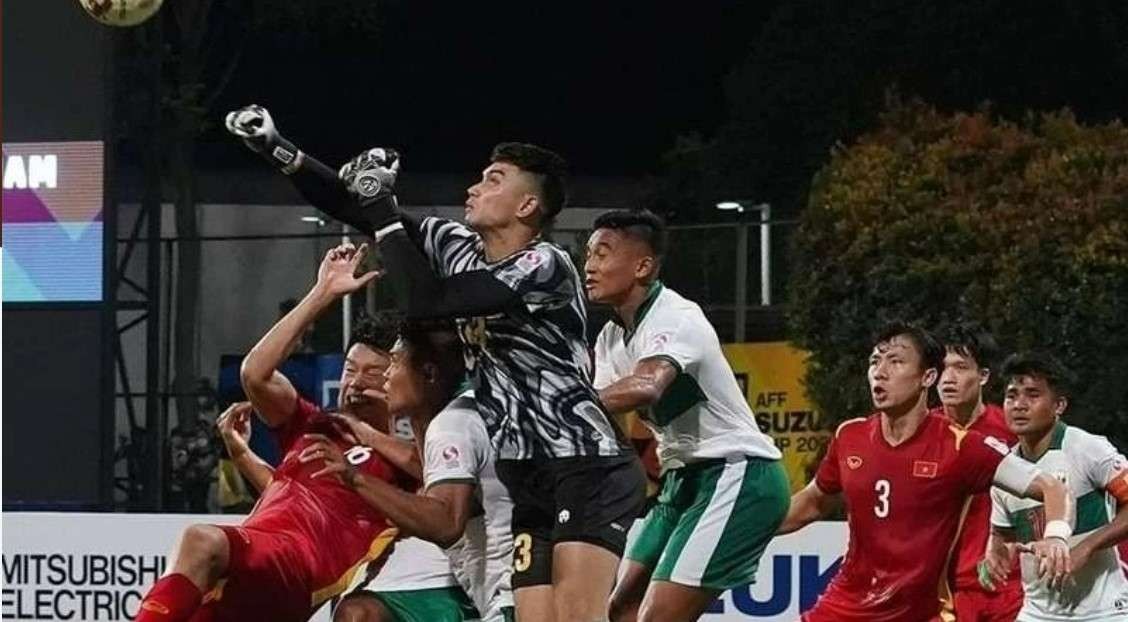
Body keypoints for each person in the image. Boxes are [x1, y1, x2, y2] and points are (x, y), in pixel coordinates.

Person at [225, 105, 646, 621]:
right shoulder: (457, 246)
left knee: (578, 619)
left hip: (587, 463)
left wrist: (383, 210)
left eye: (493, 180)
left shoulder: (545, 265)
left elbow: (429, 303)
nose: (474, 189)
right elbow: (358, 207)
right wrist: (279, 150)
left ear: (527, 206)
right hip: (526, 475)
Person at [135, 245, 465, 622]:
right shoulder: (316, 425)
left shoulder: (407, 459)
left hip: (298, 567)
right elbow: (254, 374)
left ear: (397, 377)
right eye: (349, 370)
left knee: (202, 539)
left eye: (372, 374)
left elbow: (432, 487)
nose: (355, 384)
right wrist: (321, 293)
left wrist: (364, 432)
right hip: (257, 562)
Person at [778, 322, 1074, 622]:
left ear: (927, 377)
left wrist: (1055, 537)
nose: (880, 372)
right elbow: (813, 502)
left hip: (929, 608)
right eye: (874, 361)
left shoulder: (962, 446)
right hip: (845, 605)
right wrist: (744, 529)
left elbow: (1052, 487)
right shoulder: (849, 437)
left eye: (895, 362)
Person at [582, 209, 789, 622]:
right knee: (621, 608)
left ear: (642, 266)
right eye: (588, 254)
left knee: (658, 618)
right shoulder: (609, 337)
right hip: (683, 480)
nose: (588, 266)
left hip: (738, 475)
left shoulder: (676, 316)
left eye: (602, 254)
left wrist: (559, 404)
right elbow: (601, 413)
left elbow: (646, 386)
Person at [321, 325, 515, 622]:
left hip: (507, 595)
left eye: (395, 363)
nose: (386, 375)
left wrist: (355, 478)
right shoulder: (462, 414)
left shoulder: (453, 424)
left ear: (428, 373)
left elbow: (446, 522)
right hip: (504, 590)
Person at [983, 352, 1128, 621]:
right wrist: (995, 551)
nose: (1019, 405)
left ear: (1059, 405)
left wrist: (1087, 547)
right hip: (1038, 612)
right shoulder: (1005, 471)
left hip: (1104, 611)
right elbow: (1002, 534)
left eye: (1032, 395)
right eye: (1012, 395)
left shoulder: (1086, 448)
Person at [932, 322, 1023, 621]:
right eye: (942, 368)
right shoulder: (922, 433)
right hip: (937, 592)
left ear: (983, 375)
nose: (948, 378)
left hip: (1006, 587)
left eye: (960, 367)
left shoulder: (1012, 433)